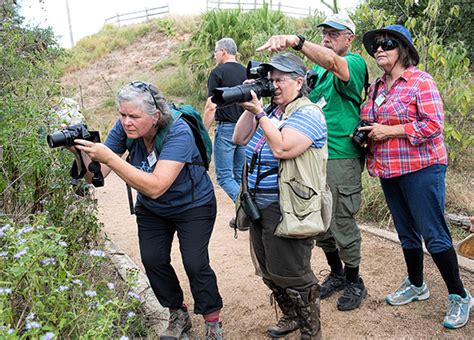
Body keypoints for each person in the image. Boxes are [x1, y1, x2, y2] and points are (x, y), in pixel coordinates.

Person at [71, 81, 224, 339]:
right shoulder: (124, 129)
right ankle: (178, 313)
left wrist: (109, 157)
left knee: (195, 263)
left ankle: (212, 320)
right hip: (153, 209)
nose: (126, 122)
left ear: (155, 117)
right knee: (153, 260)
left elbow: (156, 186)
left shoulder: (179, 131)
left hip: (193, 204)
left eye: (133, 116)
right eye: (122, 115)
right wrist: (80, 154)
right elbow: (96, 178)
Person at [359, 24, 472, 329]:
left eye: (387, 44)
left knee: (433, 233)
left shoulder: (421, 82)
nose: (379, 49)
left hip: (422, 168)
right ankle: (417, 284)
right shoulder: (377, 87)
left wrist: (390, 130)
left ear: (403, 50)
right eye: (375, 46)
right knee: (406, 232)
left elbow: (433, 125)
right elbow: (374, 121)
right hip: (389, 168)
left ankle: (460, 296)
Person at [256, 12, 368, 311]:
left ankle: (356, 280)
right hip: (310, 158)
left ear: (349, 38)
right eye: (325, 33)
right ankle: (337, 272)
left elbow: (335, 63)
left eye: (335, 33)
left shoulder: (353, 63)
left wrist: (296, 42)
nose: (327, 37)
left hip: (340, 156)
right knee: (319, 222)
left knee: (342, 219)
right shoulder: (316, 74)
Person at [233, 53, 327, 339]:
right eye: (269, 80)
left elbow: (283, 149)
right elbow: (238, 138)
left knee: (293, 272)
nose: (272, 86)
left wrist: (260, 113)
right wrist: (251, 108)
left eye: (279, 80)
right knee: (268, 269)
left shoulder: (308, 113)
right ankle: (291, 316)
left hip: (287, 206)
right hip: (257, 202)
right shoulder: (273, 111)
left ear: (299, 82)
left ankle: (311, 329)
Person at [204, 37, 247, 205]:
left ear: (222, 51)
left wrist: (202, 131)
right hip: (246, 129)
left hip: (227, 130)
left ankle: (249, 211)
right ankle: (244, 214)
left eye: (215, 52)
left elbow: (210, 106)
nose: (215, 56)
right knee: (239, 175)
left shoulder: (217, 72)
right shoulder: (246, 71)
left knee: (223, 176)